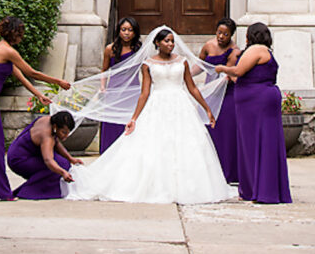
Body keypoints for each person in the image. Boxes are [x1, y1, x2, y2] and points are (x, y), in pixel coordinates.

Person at [65, 26, 232, 204]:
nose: (171, 44)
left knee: (187, 145)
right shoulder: (148, 64)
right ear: (157, 43)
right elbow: (144, 93)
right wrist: (134, 118)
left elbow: (192, 87)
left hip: (181, 105)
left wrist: (206, 108)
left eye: (172, 41)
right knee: (154, 145)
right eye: (166, 41)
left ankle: (189, 188)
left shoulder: (182, 62)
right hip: (157, 104)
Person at [0, 15, 71, 201]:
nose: (21, 37)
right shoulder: (8, 51)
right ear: (13, 33)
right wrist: (58, 81)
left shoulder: (4, 49)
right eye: (20, 34)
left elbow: (20, 76)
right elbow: (31, 72)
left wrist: (38, 94)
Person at [215, 22, 292, 204]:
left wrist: (222, 68)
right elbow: (247, 76)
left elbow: (238, 71)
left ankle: (259, 190)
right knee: (263, 142)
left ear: (251, 36)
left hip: (255, 102)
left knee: (253, 144)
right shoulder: (266, 51)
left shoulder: (256, 49)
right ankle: (261, 188)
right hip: (259, 99)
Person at [198, 17, 240, 183]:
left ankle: (226, 173)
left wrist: (205, 89)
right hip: (209, 94)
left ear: (232, 35)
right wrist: (185, 74)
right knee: (207, 130)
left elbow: (227, 77)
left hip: (225, 94)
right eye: (219, 32)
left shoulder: (234, 51)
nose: (221, 37)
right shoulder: (208, 46)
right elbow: (200, 65)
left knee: (224, 132)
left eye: (226, 34)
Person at [8, 110, 82, 199]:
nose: (66, 136)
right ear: (56, 127)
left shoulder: (48, 120)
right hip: (19, 160)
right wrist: (63, 172)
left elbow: (56, 143)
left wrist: (70, 158)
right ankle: (27, 191)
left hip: (16, 151)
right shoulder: (47, 137)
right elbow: (48, 160)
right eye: (64, 132)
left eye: (68, 133)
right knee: (61, 166)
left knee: (64, 162)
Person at [99, 16, 142, 153]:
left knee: (130, 120)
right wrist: (102, 87)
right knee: (112, 122)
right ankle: (108, 152)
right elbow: (104, 70)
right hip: (114, 91)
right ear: (118, 31)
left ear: (135, 32)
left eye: (130, 30)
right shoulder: (110, 49)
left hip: (132, 91)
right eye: (123, 29)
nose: (126, 33)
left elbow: (145, 69)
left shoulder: (139, 49)